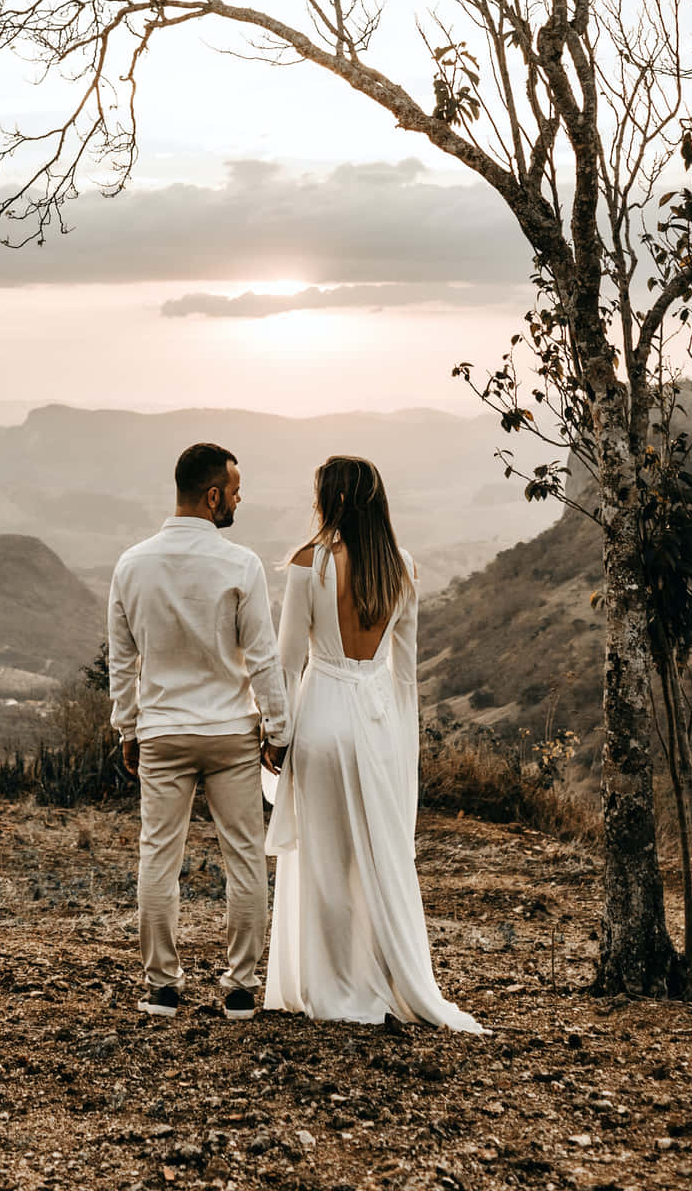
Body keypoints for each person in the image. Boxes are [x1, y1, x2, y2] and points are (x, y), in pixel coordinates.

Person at [263, 455, 483, 1031]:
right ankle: (388, 979)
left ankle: (332, 988)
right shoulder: (403, 567)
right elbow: (407, 674)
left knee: (326, 863)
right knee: (381, 864)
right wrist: (403, 749)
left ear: (329, 500)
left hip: (322, 721)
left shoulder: (309, 564)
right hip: (381, 723)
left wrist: (276, 735)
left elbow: (287, 664)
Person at [108, 441, 290, 1021]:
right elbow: (262, 657)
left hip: (162, 732)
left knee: (158, 858)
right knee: (243, 857)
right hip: (231, 733)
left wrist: (127, 729)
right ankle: (239, 987)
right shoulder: (241, 564)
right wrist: (278, 728)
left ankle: (162, 986)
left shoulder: (131, 564)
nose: (240, 500)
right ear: (213, 496)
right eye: (235, 491)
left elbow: (122, 661)